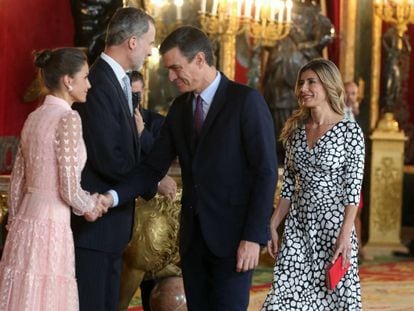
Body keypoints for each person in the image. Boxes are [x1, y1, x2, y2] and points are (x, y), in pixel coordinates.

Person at [103, 26, 278, 310]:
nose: (171, 77)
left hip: (234, 242)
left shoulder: (246, 101)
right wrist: (111, 197)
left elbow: (265, 172)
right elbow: (151, 168)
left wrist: (252, 237)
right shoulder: (181, 108)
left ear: (199, 59)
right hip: (193, 243)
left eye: (175, 68)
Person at [71, 8, 176, 311]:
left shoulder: (117, 80)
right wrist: (152, 180)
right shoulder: (99, 82)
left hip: (112, 226)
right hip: (94, 226)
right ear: (132, 41)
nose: (151, 50)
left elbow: (125, 147)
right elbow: (108, 158)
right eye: (150, 42)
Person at [0, 47, 108, 310]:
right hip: (51, 223)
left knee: (23, 295)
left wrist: (15, 223)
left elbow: (17, 184)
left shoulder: (34, 117)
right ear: (68, 81)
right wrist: (92, 205)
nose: (89, 84)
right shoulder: (68, 118)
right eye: (84, 77)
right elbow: (69, 189)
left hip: (25, 221)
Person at [262, 59, 365, 310]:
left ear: (328, 85)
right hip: (298, 225)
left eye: (311, 82)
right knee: (283, 297)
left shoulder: (350, 132)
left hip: (333, 227)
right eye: (301, 83)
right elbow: (288, 187)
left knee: (335, 300)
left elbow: (353, 191)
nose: (303, 88)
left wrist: (345, 236)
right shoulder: (296, 133)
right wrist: (273, 224)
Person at [130, 70, 165, 158]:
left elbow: (159, 156)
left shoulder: (157, 121)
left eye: (136, 94)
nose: (131, 98)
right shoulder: (112, 118)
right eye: (128, 94)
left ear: (143, 92)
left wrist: (142, 131)